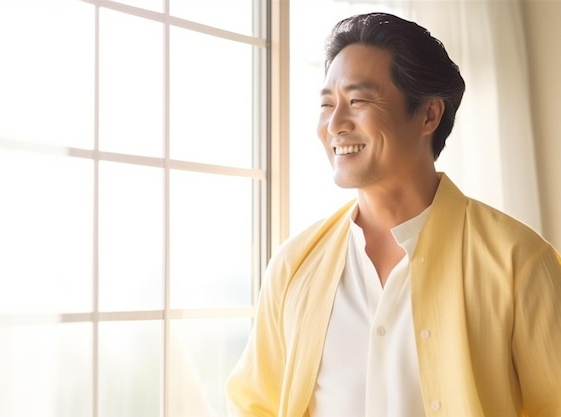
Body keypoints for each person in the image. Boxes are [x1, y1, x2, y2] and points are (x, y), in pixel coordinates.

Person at [225, 12, 561, 417]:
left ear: (428, 115)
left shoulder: (518, 262)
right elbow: (253, 404)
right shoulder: (295, 265)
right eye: (327, 104)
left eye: (358, 100)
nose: (334, 124)